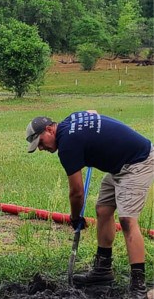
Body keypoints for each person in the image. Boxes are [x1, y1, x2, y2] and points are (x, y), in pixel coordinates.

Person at [25, 111, 153, 298]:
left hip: (137, 162)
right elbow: (92, 112)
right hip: (119, 165)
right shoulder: (70, 120)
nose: (41, 148)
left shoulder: (67, 145)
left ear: (50, 129)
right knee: (103, 210)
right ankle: (103, 270)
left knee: (127, 220)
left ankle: (138, 285)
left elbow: (77, 193)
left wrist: (75, 217)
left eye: (41, 142)